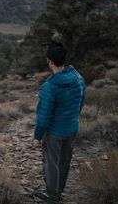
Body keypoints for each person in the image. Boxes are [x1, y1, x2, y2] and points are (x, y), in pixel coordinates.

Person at [33, 42, 86, 203]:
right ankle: (59, 190)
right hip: (71, 127)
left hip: (55, 132)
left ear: (50, 61)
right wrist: (72, 118)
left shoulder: (49, 86)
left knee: (51, 163)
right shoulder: (77, 77)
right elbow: (81, 100)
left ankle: (52, 195)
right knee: (65, 160)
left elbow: (43, 116)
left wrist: (37, 136)